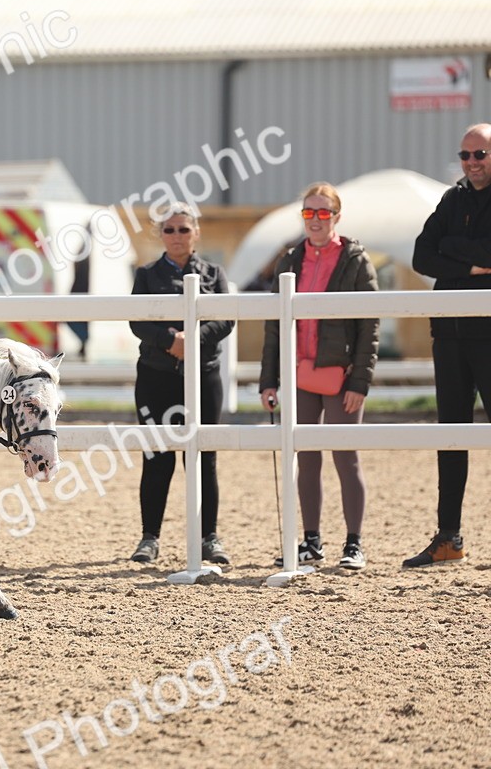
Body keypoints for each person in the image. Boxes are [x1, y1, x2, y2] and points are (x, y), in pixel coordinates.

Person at [260, 183, 379, 570]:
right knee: (306, 459)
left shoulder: (356, 260)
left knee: (346, 458)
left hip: (342, 376)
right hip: (299, 375)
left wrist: (360, 382)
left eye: (323, 212)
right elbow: (274, 327)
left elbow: (370, 326)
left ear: (336, 216)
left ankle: (353, 544)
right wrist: (269, 380)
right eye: (308, 212)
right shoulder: (290, 260)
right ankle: (311, 542)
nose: (315, 219)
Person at [128, 202, 235, 565]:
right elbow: (137, 321)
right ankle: (149, 538)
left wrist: (192, 340)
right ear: (161, 234)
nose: (177, 236)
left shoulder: (214, 273)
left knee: (204, 457)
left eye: (184, 229)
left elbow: (227, 319)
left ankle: (209, 537)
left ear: (196, 233)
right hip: (156, 377)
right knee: (156, 457)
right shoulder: (145, 274)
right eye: (170, 229)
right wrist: (169, 341)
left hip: (203, 375)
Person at [405, 122, 491, 568]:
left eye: (480, 154)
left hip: (488, 334)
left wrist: (452, 249)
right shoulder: (451, 198)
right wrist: (471, 263)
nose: (472, 163)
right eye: (465, 155)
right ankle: (448, 538)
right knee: (450, 434)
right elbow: (421, 255)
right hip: (449, 334)